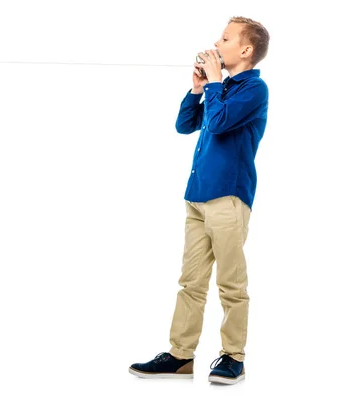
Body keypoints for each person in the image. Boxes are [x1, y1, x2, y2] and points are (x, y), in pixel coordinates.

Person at [129, 16, 270, 385]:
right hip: (197, 197)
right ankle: (180, 355)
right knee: (190, 281)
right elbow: (184, 125)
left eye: (225, 38)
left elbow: (221, 123)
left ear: (245, 50)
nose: (216, 43)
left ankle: (233, 356)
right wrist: (197, 89)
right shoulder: (216, 89)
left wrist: (215, 85)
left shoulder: (254, 90)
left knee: (231, 283)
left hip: (228, 196)